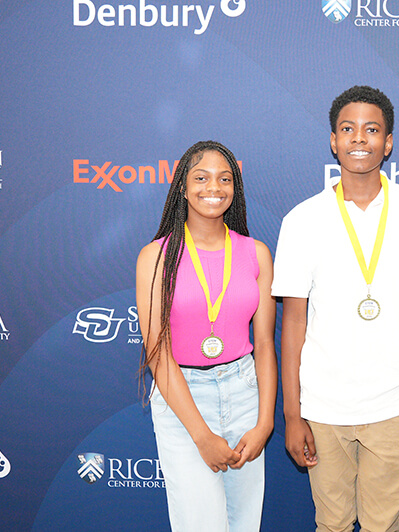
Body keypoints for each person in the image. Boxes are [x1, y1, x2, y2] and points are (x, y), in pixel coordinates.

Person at [272, 85, 399, 532]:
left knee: (383, 526)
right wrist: (292, 412)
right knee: (330, 525)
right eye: (348, 129)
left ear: (388, 142)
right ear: (333, 140)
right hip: (324, 405)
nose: (359, 139)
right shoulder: (302, 219)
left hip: (396, 401)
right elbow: (292, 322)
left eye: (372, 130)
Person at [136, 140, 277, 531]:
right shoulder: (156, 256)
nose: (213, 187)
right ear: (182, 185)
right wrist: (200, 435)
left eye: (224, 178)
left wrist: (265, 422)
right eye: (201, 177)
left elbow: (264, 344)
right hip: (183, 397)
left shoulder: (256, 253)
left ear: (235, 188)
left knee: (244, 524)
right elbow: (157, 351)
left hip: (245, 392)